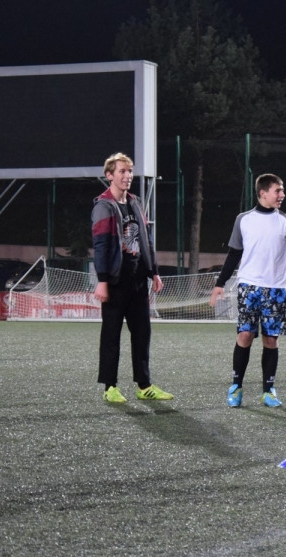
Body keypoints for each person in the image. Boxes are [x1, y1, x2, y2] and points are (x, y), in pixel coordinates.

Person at [209, 173, 286, 408]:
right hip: (248, 287)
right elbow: (234, 254)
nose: (282, 195)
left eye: (282, 190)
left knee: (271, 340)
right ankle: (236, 387)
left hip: (276, 290)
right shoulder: (243, 219)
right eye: (278, 190)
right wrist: (220, 283)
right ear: (263, 193)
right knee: (245, 335)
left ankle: (268, 390)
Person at [91, 152, 173, 403]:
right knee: (111, 335)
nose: (127, 176)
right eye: (122, 172)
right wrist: (102, 280)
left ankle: (144, 385)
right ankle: (110, 387)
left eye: (129, 171)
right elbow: (102, 245)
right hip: (116, 282)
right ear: (109, 176)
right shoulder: (103, 206)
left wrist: (154, 272)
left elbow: (146, 240)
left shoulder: (136, 202)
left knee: (142, 334)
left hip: (138, 281)